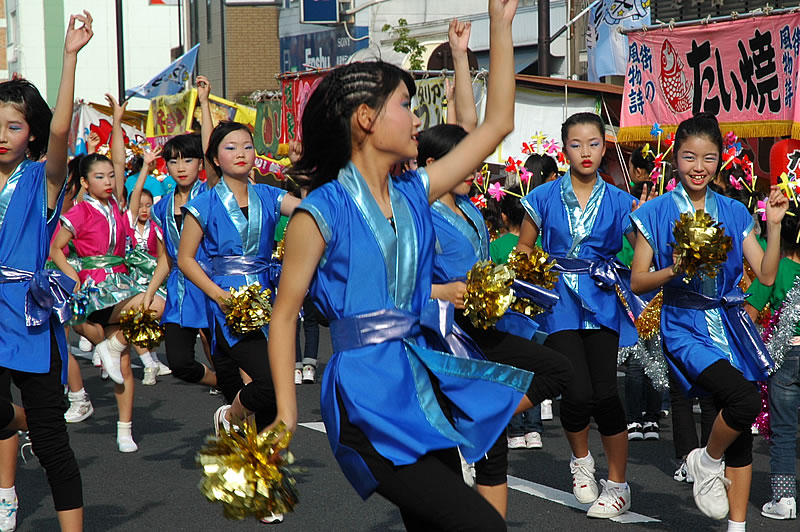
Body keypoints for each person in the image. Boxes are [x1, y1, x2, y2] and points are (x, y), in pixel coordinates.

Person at [271, 2, 534, 529]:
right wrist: (285, 414)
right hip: (364, 400)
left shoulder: (415, 190)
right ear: (366, 119)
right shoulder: (320, 211)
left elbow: (498, 123)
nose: (418, 120)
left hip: (416, 382)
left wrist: (501, 26)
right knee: (482, 524)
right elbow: (284, 316)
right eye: (405, 105)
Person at [630, 112, 787, 530]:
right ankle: (705, 459)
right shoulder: (656, 211)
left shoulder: (734, 211)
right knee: (745, 399)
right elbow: (638, 281)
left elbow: (766, 275)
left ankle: (737, 526)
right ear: (675, 159)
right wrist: (674, 270)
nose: (698, 167)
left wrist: (773, 228)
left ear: (721, 159)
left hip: (729, 326)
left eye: (708, 158)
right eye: (689, 157)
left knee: (739, 428)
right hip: (684, 325)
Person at [517, 112, 642, 518]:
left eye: (594, 143)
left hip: (603, 298)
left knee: (605, 393)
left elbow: (644, 249)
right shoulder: (541, 197)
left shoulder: (622, 200)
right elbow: (524, 248)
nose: (585, 152)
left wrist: (651, 224)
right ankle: (581, 460)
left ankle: (619, 485)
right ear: (564, 149)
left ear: (605, 148)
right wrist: (527, 277)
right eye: (576, 144)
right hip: (558, 302)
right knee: (576, 389)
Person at [0, 11, 92, 531]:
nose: (2, 135)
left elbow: (61, 130)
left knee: (54, 444)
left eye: (14, 126)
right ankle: (25, 421)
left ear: (31, 134)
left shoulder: (43, 180)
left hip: (29, 315)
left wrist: (69, 56)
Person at [51, 140, 165, 453]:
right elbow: (56, 248)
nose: (108, 181)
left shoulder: (116, 205)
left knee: (151, 315)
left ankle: (124, 429)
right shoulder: (79, 211)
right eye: (99, 177)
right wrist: (73, 276)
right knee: (80, 326)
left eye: (112, 176)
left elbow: (121, 168)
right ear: (85, 182)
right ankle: (105, 348)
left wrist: (143, 165)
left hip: (121, 283)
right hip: (93, 287)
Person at [744, 209, 800, 520]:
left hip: (786, 354)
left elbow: (749, 313)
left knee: (784, 430)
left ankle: (784, 498)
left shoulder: (776, 268)